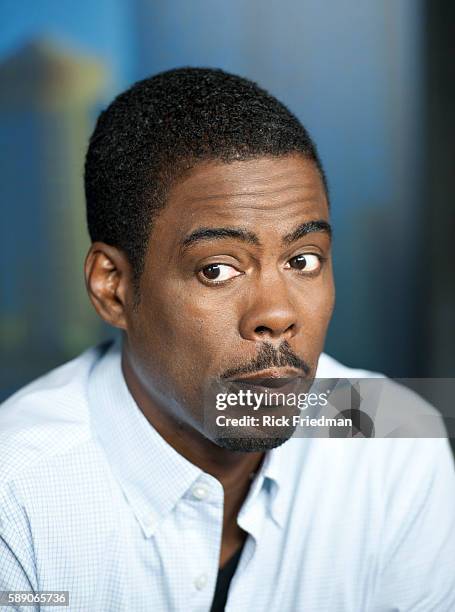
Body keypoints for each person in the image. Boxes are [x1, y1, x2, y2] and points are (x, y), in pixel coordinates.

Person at [0, 67, 453, 612]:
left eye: (303, 260)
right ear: (114, 288)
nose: (278, 315)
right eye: (217, 269)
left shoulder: (391, 436)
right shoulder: (17, 495)